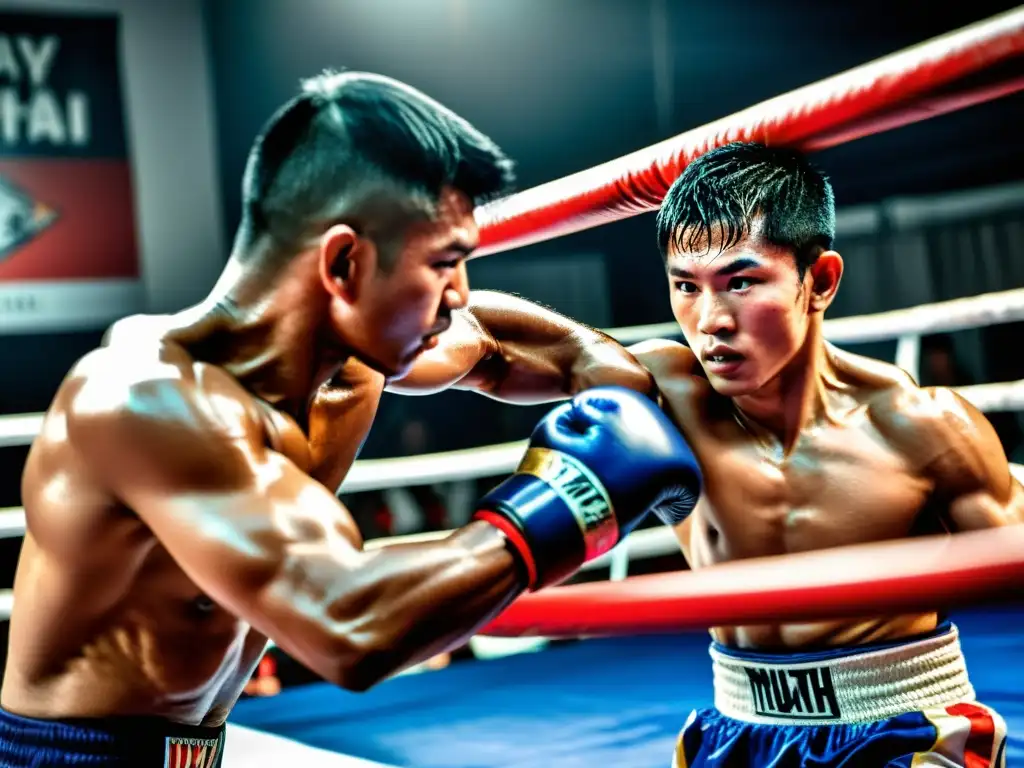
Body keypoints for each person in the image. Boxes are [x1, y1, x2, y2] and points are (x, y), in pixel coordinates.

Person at [0, 71, 701, 766]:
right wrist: (574, 500)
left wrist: (643, 396)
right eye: (445, 263)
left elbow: (512, 344)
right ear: (344, 264)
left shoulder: (359, 360)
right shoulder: (143, 399)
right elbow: (348, 625)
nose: (461, 292)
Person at [383, 142, 1021, 766]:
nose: (711, 318)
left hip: (898, 730)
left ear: (819, 281)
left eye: (740, 281)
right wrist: (373, 337)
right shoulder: (666, 395)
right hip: (736, 729)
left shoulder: (924, 430)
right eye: (685, 286)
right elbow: (487, 340)